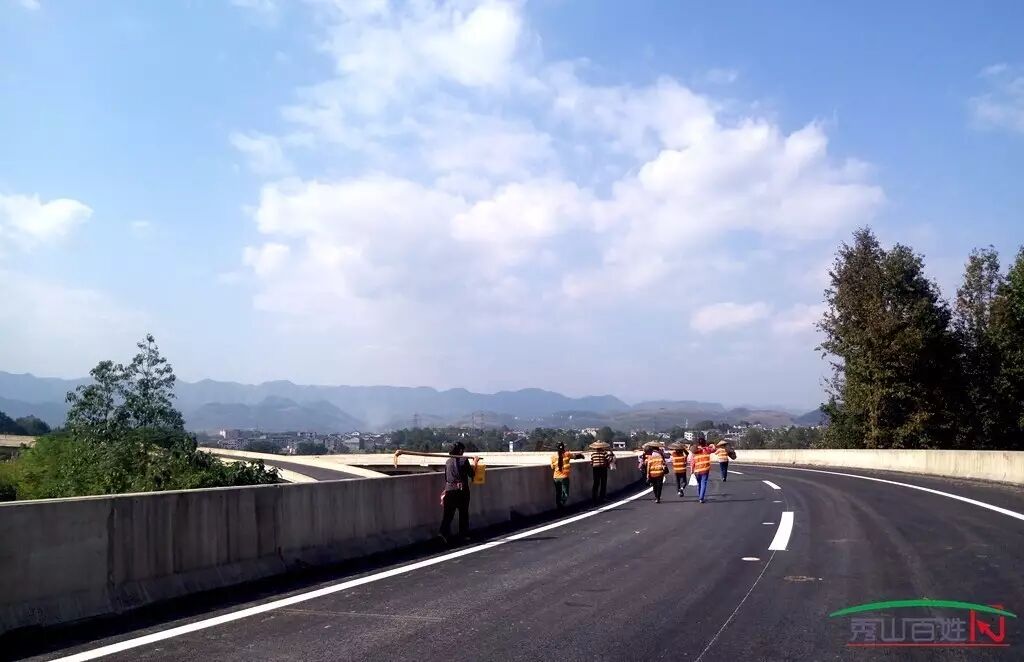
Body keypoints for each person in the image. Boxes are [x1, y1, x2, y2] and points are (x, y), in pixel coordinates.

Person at [439, 442, 478, 544]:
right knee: (463, 513)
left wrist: (446, 489)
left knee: (448, 515)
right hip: (461, 491)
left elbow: (446, 477)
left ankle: (443, 533)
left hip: (449, 490)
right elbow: (472, 474)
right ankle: (463, 535)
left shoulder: (448, 461)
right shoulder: (464, 460)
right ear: (460, 450)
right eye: (463, 450)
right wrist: (475, 462)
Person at [551, 442, 584, 508]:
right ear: (564, 448)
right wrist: (581, 455)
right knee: (565, 494)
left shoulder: (553, 456)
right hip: (564, 477)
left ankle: (559, 506)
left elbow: (552, 467)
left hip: (556, 477)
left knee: (558, 493)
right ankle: (561, 504)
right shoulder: (567, 454)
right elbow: (575, 456)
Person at [692, 435, 713, 504]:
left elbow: (693, 462)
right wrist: (712, 445)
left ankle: (700, 496)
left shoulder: (695, 451)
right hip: (705, 470)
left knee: (699, 484)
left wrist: (692, 470)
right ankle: (701, 498)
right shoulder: (707, 450)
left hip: (696, 471)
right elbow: (714, 449)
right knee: (703, 483)